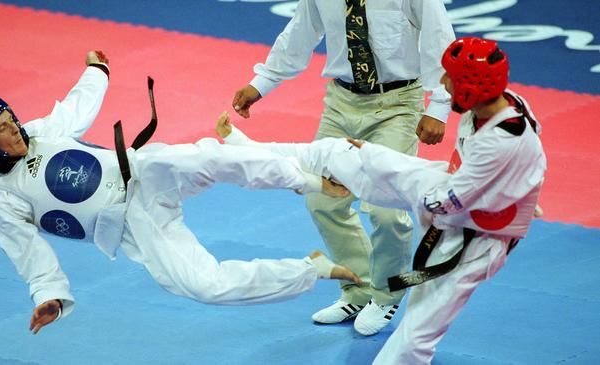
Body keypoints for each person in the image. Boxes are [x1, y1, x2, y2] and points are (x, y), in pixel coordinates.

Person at [0, 50, 362, 335]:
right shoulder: (6, 201)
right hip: (135, 226)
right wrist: (51, 296)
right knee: (204, 286)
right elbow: (30, 254)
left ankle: (310, 181)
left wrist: (97, 70)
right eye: (2, 129)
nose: (14, 127)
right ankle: (311, 269)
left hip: (144, 174)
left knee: (209, 159)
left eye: (10, 118)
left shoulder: (43, 131)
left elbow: (76, 108)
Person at [219, 37, 546, 364]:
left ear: (472, 85)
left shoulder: (499, 142)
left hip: (470, 237)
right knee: (344, 152)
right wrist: (520, 195)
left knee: (416, 333)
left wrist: (382, 173)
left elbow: (446, 202)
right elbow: (531, 157)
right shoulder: (506, 103)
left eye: (450, 78)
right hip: (455, 189)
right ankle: (254, 150)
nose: (443, 84)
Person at [231, 0, 456, 335]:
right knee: (321, 199)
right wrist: (262, 82)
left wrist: (438, 108)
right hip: (341, 102)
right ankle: (359, 287)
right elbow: (301, 30)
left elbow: (443, 42)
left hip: (397, 103)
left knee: (385, 210)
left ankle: (387, 293)